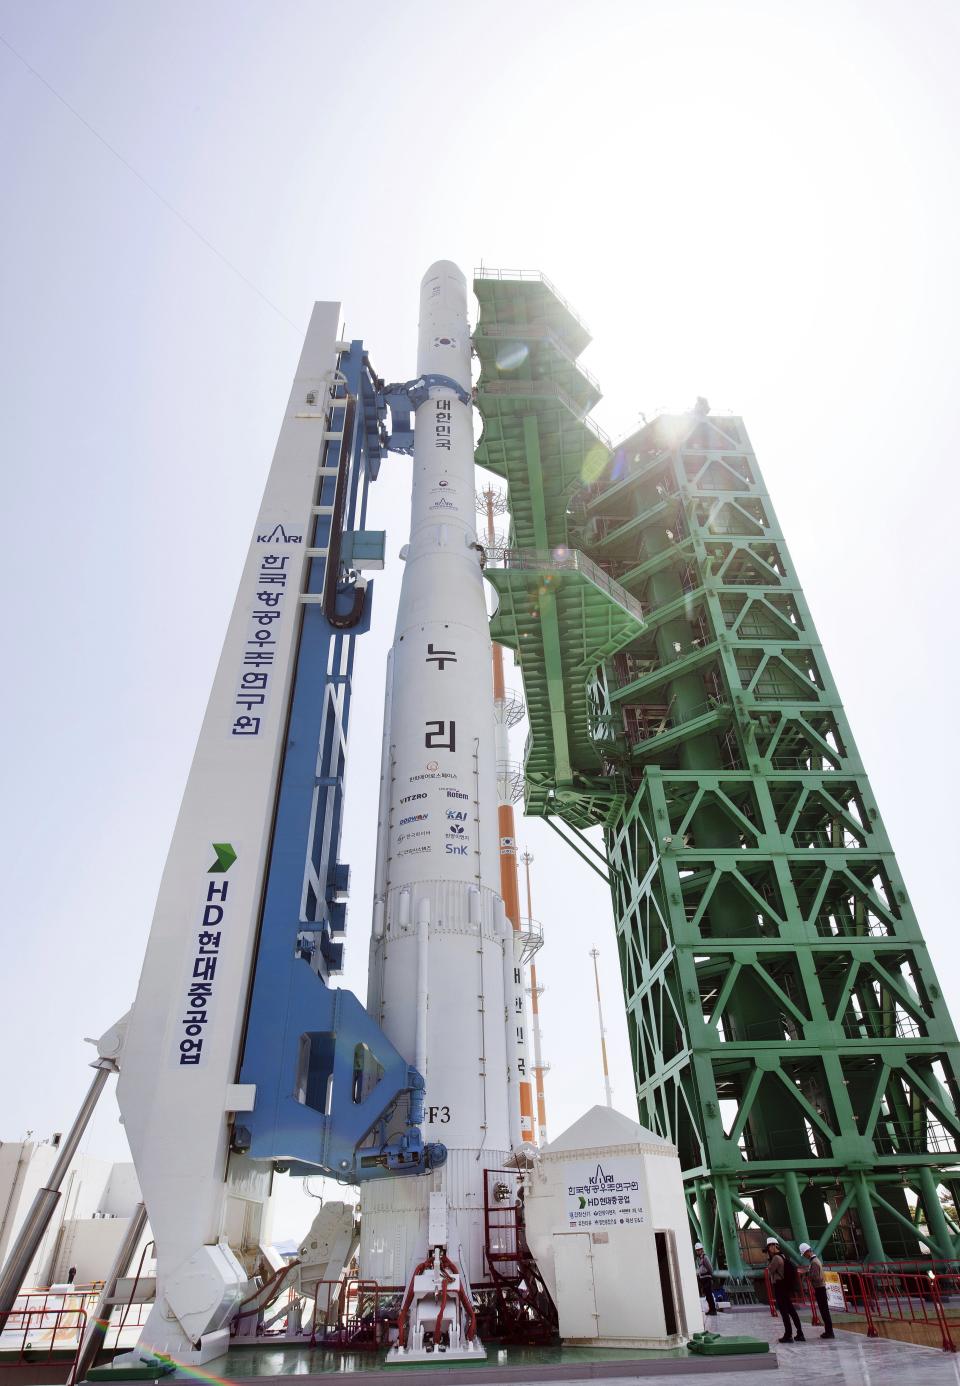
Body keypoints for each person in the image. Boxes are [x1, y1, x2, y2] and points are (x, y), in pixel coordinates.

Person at [766, 1236, 804, 1343]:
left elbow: (770, 1270)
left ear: (773, 1246)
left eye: (769, 1247)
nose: (768, 1250)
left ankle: (788, 1335)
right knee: (791, 1310)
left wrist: (769, 1259)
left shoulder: (776, 1259)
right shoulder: (783, 1256)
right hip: (785, 1286)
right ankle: (800, 1332)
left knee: (784, 1312)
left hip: (779, 1286)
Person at [799, 1242, 834, 1339]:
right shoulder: (816, 1260)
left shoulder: (814, 1262)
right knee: (824, 1310)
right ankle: (829, 1331)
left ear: (807, 1252)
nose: (805, 1256)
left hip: (819, 1288)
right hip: (821, 1288)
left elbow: (816, 1277)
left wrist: (806, 1274)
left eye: (804, 1254)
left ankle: (829, 1332)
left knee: (824, 1311)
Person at [694, 1242, 717, 1316]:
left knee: (709, 1295)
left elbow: (710, 1268)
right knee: (707, 1296)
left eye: (699, 1250)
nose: (698, 1251)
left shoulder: (705, 1257)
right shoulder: (699, 1258)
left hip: (707, 1278)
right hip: (703, 1279)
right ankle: (711, 1310)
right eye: (697, 1250)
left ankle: (713, 1310)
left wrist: (710, 1276)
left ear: (702, 1249)